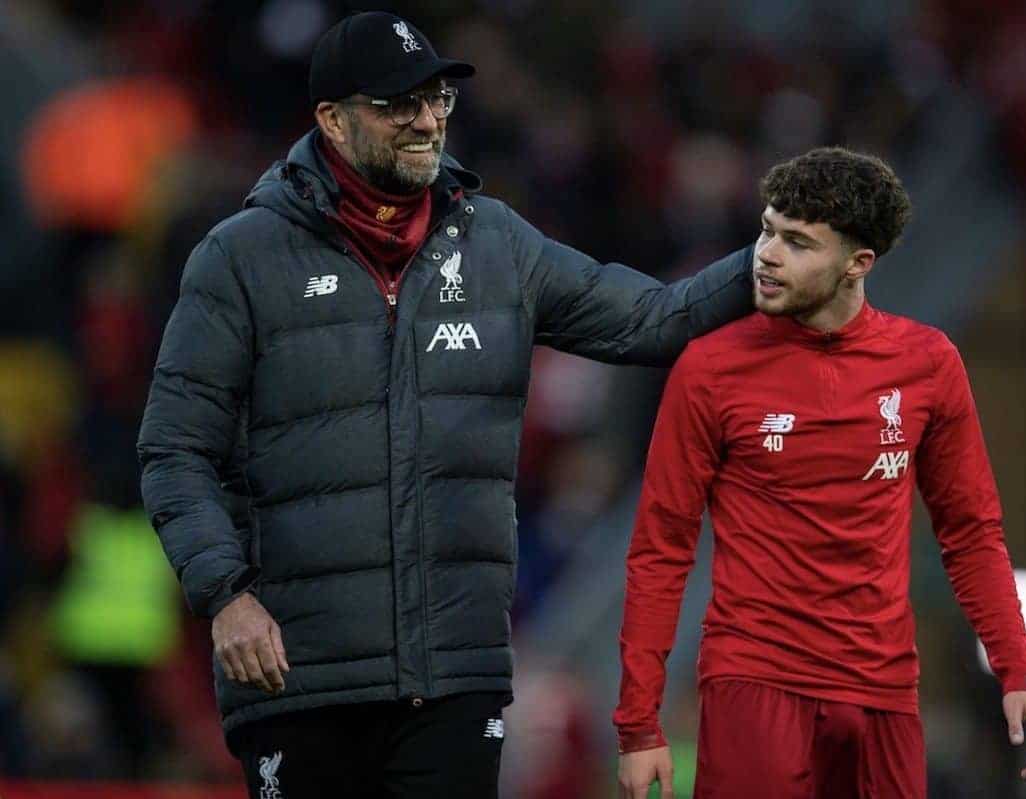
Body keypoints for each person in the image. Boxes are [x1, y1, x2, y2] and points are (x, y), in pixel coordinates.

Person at [137, 12, 754, 799]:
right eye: (398, 104)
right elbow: (173, 448)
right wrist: (225, 595)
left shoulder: (497, 243)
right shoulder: (241, 257)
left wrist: (773, 252)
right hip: (301, 676)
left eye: (435, 100)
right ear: (331, 119)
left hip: (455, 674)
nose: (426, 119)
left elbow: (652, 317)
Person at [614, 147, 1026, 798]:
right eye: (766, 229)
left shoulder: (927, 364)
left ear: (857, 264)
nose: (765, 254)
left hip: (882, 689)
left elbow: (969, 532)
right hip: (754, 681)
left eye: (796, 242)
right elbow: (660, 549)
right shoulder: (708, 369)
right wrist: (638, 723)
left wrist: (1018, 669)